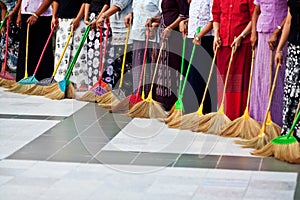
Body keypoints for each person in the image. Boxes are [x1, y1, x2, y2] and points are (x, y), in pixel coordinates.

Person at [212, 0, 254, 120]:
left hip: (241, 44)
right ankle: (223, 114)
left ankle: (236, 117)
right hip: (223, 43)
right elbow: (216, 15)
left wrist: (242, 35)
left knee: (237, 82)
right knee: (223, 81)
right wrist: (216, 35)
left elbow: (253, 18)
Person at [146, 0, 189, 111]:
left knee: (172, 65)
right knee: (162, 65)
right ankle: (161, 98)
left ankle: (171, 100)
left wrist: (170, 27)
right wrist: (154, 19)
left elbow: (183, 14)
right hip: (164, 32)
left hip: (174, 35)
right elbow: (167, 15)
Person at [250, 0, 287, 127]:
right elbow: (256, 11)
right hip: (262, 33)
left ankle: (276, 122)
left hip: (279, 35)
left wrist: (277, 31)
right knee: (260, 77)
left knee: (276, 78)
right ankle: (258, 120)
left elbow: (290, 13)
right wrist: (254, 33)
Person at [178, 0, 216, 113]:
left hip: (205, 39)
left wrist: (200, 35)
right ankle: (190, 108)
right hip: (192, 37)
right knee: (191, 75)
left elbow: (212, 19)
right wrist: (185, 23)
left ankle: (203, 109)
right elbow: (195, 17)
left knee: (202, 76)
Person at [123, 0, 160, 96]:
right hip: (137, 34)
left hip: (151, 35)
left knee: (149, 67)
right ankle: (137, 96)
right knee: (138, 67)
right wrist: (130, 14)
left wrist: (155, 25)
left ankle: (148, 96)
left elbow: (165, 14)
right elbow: (136, 8)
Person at [275, 0, 300, 141]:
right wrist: (279, 49)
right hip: (293, 50)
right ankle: (288, 133)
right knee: (290, 93)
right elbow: (289, 23)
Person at [96, 0, 133, 94]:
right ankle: (117, 96)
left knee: (126, 66)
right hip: (116, 30)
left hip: (126, 30)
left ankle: (126, 96)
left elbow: (119, 5)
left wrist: (104, 15)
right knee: (118, 66)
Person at [52, 0, 88, 91]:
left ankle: (80, 82)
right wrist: (54, 16)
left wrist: (78, 18)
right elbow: (56, 1)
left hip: (77, 20)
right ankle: (61, 80)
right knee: (61, 52)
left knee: (78, 52)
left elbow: (85, 2)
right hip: (62, 20)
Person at [16, 0, 54, 82]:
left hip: (41, 15)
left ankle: (42, 77)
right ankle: (24, 77)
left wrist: (36, 14)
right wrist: (19, 14)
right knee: (25, 47)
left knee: (39, 48)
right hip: (26, 13)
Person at [83, 0, 114, 89]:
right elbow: (87, 2)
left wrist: (98, 19)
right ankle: (93, 85)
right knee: (92, 53)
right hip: (91, 17)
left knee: (104, 53)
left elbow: (107, 3)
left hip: (103, 17)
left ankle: (105, 86)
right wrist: (86, 18)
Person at [0, 0, 20, 74]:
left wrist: (15, 13)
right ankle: (4, 68)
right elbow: (3, 8)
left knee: (15, 44)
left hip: (18, 15)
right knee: (4, 42)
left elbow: (20, 2)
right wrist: (3, 23)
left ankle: (15, 69)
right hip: (8, 17)